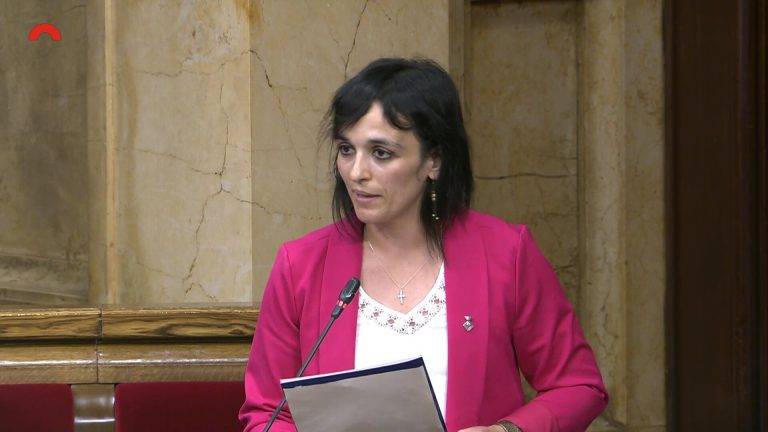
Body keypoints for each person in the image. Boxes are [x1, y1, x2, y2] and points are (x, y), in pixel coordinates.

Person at [239, 57, 608, 432]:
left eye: (381, 153)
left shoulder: (506, 254)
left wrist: (506, 431)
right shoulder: (300, 265)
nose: (356, 172)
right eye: (346, 150)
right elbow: (268, 414)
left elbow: (579, 386)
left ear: (433, 160)